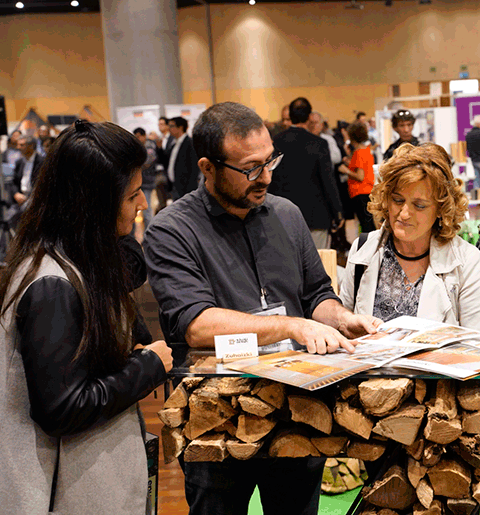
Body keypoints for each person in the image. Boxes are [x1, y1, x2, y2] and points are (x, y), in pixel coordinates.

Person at [144, 101, 380, 515]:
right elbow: (196, 325)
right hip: (217, 419)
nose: (267, 177)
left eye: (270, 161)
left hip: (296, 410)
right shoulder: (172, 230)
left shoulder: (287, 214)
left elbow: (316, 295)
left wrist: (342, 318)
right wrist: (292, 327)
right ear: (208, 167)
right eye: (251, 169)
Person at [0, 120, 172, 514]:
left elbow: (131, 264)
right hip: (64, 493)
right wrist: (148, 367)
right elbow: (63, 408)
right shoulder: (52, 284)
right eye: (132, 196)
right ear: (94, 206)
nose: (143, 204)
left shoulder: (79, 259)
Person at [340, 142, 480, 342]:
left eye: (419, 206)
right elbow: (342, 329)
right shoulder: (363, 250)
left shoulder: (466, 262)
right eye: (397, 200)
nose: (404, 214)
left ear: (441, 209)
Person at [269, 97, 344, 249]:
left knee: (288, 258)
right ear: (309, 116)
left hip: (283, 215)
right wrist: (337, 212)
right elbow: (328, 181)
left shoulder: (276, 142)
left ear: (290, 115)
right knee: (317, 258)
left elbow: (270, 177)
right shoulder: (319, 144)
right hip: (316, 214)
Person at [339, 121, 376, 233]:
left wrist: (346, 170)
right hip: (367, 191)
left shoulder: (359, 153)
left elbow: (360, 176)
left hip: (360, 192)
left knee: (366, 225)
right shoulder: (366, 150)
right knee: (368, 223)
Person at [132, 127, 160, 229]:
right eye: (136, 137)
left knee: (147, 209)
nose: (137, 139)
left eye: (139, 136)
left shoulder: (149, 147)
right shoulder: (137, 147)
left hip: (147, 181)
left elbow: (146, 162)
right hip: (138, 182)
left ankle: (149, 231)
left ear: (144, 136)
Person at [167, 116, 199, 200]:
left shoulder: (190, 143)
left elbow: (194, 168)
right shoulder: (174, 144)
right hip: (175, 185)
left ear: (180, 127)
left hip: (185, 188)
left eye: (171, 126)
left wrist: (190, 190)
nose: (169, 129)